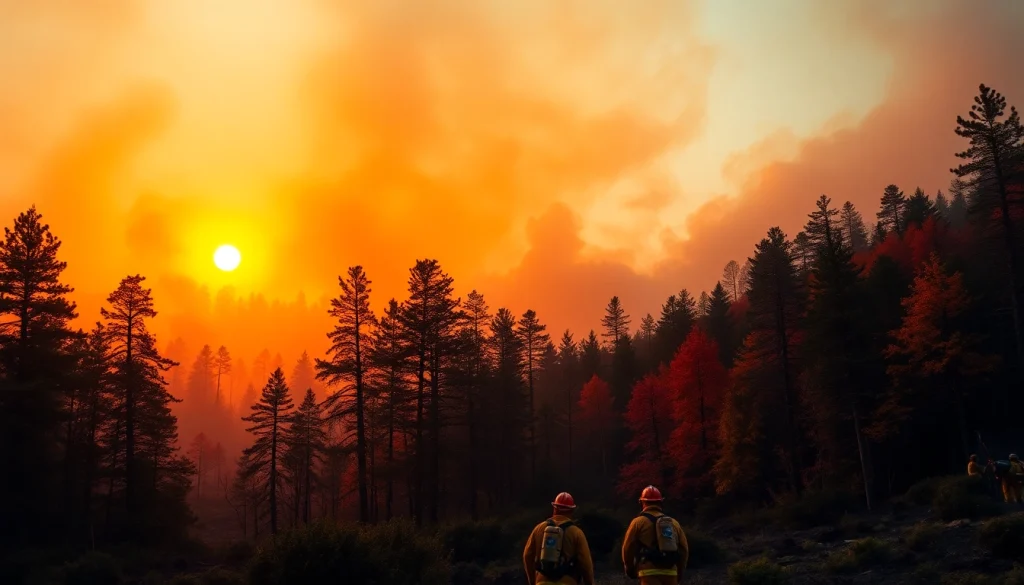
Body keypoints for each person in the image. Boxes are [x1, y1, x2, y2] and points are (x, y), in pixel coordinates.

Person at [523, 492, 595, 585]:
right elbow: (586, 564)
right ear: (572, 510)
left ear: (554, 508)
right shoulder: (577, 533)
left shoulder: (539, 529)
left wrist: (532, 581)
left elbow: (527, 555)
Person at [622, 485, 689, 585]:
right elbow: (684, 549)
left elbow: (627, 548)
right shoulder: (673, 523)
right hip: (671, 572)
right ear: (661, 502)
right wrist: (679, 572)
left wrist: (630, 569)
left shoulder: (638, 522)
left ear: (642, 502)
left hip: (648, 572)